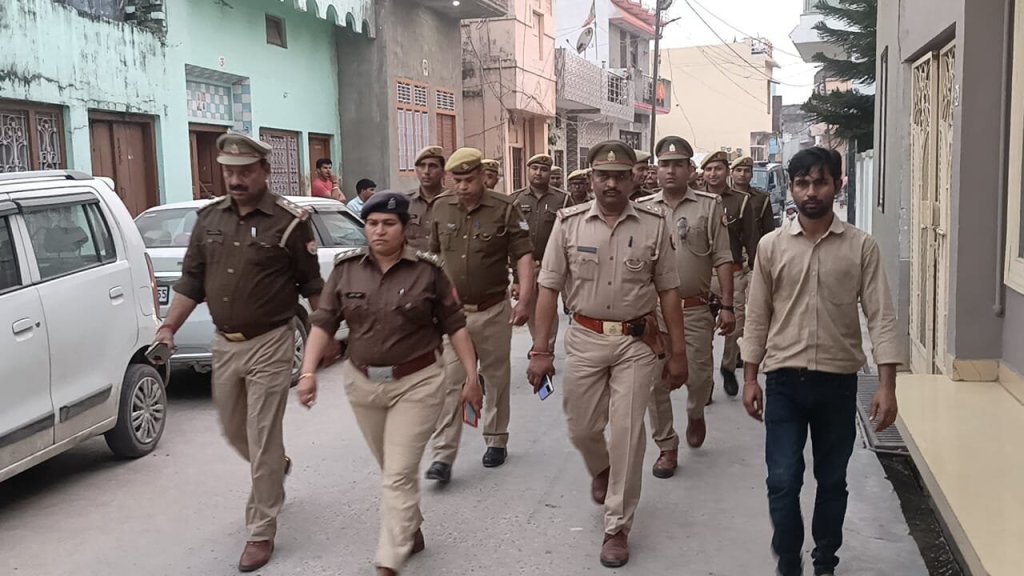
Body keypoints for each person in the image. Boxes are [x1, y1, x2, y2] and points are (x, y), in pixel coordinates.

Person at [154, 132, 324, 572]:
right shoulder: (209, 218)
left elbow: (312, 285)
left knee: (262, 433)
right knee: (234, 431)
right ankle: (276, 466)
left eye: (245, 171)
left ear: (265, 171)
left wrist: (328, 338)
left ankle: (261, 529)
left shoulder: (290, 222)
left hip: (272, 341)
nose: (235, 179)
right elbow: (191, 280)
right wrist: (169, 327)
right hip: (224, 345)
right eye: (229, 171)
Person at [297, 191, 484, 576]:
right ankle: (410, 528)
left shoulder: (428, 272)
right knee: (391, 466)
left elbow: (456, 327)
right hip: (363, 384)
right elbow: (323, 323)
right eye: (372, 223)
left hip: (417, 382)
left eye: (388, 224)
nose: (378, 231)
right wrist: (308, 372)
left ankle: (389, 561)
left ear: (404, 228)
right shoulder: (347, 270)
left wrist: (471, 377)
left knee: (398, 473)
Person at [528, 140, 688, 568]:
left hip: (636, 343)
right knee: (582, 428)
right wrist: (540, 350)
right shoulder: (569, 224)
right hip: (585, 338)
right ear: (592, 178)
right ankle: (601, 468)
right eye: (603, 175)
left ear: (634, 179)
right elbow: (548, 289)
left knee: (628, 433)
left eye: (620, 176)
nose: (611, 184)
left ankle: (617, 526)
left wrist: (678, 353)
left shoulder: (654, 224)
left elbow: (669, 292)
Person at [741, 147, 900, 576]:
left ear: (837, 185)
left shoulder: (861, 247)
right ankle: (788, 560)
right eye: (802, 183)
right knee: (782, 480)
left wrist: (887, 386)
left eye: (820, 182)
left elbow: (881, 317)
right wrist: (751, 377)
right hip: (785, 383)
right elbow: (757, 316)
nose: (811, 192)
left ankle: (825, 560)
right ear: (792, 189)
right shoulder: (771, 247)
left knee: (832, 480)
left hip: (837, 383)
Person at [425, 147, 534, 482]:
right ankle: (443, 454)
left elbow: (523, 255)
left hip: (492, 310)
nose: (463, 187)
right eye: (457, 180)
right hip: (454, 314)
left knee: (496, 377)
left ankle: (496, 438)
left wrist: (525, 299)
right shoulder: (440, 207)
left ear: (481, 177)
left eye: (469, 180)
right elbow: (434, 255)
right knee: (451, 381)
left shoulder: (504, 208)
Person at [637, 136, 736, 479]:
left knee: (699, 378)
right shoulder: (644, 208)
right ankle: (666, 445)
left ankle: (695, 413)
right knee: (655, 381)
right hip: (653, 311)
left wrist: (728, 305)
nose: (670, 171)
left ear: (690, 169)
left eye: (677, 165)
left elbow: (723, 257)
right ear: (657, 169)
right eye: (664, 164)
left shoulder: (709, 206)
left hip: (694, 309)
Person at [702, 150, 759, 398]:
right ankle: (704, 382)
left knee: (735, 326)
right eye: (709, 169)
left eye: (718, 169)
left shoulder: (740, 201)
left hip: (734, 274)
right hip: (704, 275)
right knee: (702, 331)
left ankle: (727, 366)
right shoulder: (696, 200)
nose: (713, 174)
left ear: (727, 172)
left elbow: (752, 239)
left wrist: (756, 271)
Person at [511, 154, 569, 352]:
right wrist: (516, 278)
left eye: (543, 169)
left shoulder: (562, 199)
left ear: (549, 173)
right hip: (526, 265)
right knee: (529, 308)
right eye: (534, 168)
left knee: (548, 307)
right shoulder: (516, 199)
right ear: (528, 170)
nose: (538, 173)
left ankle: (545, 349)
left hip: (552, 264)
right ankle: (538, 342)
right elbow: (511, 239)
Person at [405, 146, 448, 251]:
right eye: (422, 166)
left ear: (443, 172)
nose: (426, 171)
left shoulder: (454, 202)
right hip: (413, 260)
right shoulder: (406, 202)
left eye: (432, 166)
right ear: (416, 170)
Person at [731, 156, 776, 240]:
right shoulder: (724, 197)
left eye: (746, 171)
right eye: (738, 170)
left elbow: (768, 229)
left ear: (752, 174)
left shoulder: (762, 198)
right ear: (731, 173)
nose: (742, 174)